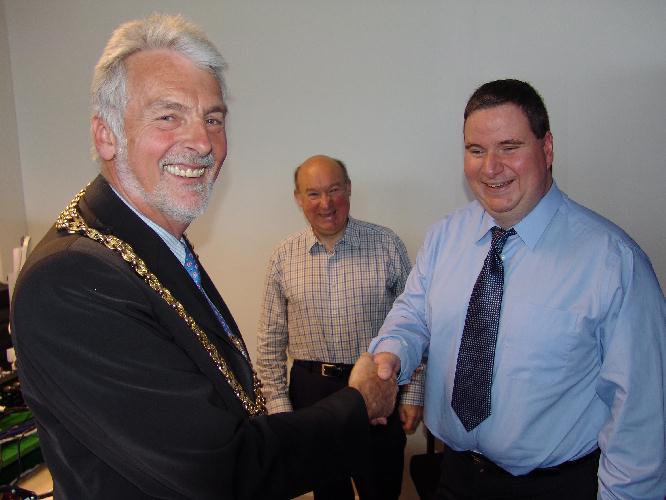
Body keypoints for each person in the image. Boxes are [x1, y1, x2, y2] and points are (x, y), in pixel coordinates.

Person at [10, 14, 398, 500]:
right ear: (106, 135)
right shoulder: (70, 278)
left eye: (213, 118)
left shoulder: (152, 243)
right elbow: (219, 470)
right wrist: (359, 403)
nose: (201, 143)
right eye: (168, 115)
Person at [369, 79, 666, 499]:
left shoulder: (614, 263)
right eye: (476, 150)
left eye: (509, 147)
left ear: (546, 149)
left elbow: (641, 414)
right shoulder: (444, 237)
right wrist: (391, 353)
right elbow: (414, 314)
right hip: (454, 475)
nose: (490, 167)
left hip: (554, 487)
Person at [256, 155, 424, 500]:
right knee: (328, 494)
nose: (326, 203)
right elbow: (270, 344)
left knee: (381, 489)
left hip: (377, 388)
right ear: (298, 198)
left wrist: (413, 393)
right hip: (311, 394)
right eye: (313, 193)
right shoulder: (283, 256)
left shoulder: (386, 244)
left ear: (348, 189)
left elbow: (417, 323)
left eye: (334, 190)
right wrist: (280, 413)